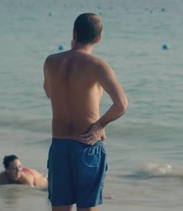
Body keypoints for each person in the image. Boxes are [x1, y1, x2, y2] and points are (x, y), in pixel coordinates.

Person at [43, 12, 128, 211]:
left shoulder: (50, 61)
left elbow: (50, 93)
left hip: (59, 145)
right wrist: (100, 125)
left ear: (73, 33)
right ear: (98, 38)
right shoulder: (97, 65)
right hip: (86, 144)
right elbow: (121, 104)